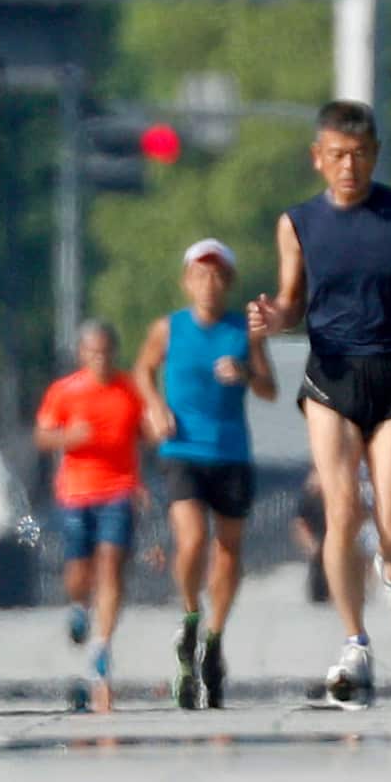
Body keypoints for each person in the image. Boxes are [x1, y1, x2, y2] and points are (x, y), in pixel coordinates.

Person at [248, 99, 391, 709]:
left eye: (361, 155)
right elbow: (293, 301)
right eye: (338, 156)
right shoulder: (297, 223)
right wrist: (274, 318)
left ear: (375, 155)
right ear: (318, 159)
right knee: (341, 511)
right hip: (331, 381)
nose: (350, 167)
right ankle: (354, 643)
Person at [134, 237, 278, 710]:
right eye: (200, 274)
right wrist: (154, 407)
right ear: (186, 281)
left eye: (217, 275)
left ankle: (215, 638)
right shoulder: (168, 328)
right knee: (192, 539)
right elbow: (142, 371)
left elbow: (270, 389)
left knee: (229, 549)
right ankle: (191, 619)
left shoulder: (245, 330)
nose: (208, 283)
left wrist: (245, 373)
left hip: (231, 452)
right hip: (182, 449)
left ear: (229, 282)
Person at [34, 320, 147, 712]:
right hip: (76, 491)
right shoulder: (64, 391)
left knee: (112, 566)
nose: (100, 358)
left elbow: (145, 433)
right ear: (82, 354)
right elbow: (43, 434)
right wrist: (69, 437)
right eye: (92, 352)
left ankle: (102, 646)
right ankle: (79, 608)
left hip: (119, 488)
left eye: (106, 351)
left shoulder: (129, 389)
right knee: (79, 570)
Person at [292, 467, 329, 604]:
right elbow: (300, 524)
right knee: (318, 596)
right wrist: (309, 543)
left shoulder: (336, 497)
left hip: (333, 541)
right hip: (318, 544)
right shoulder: (309, 498)